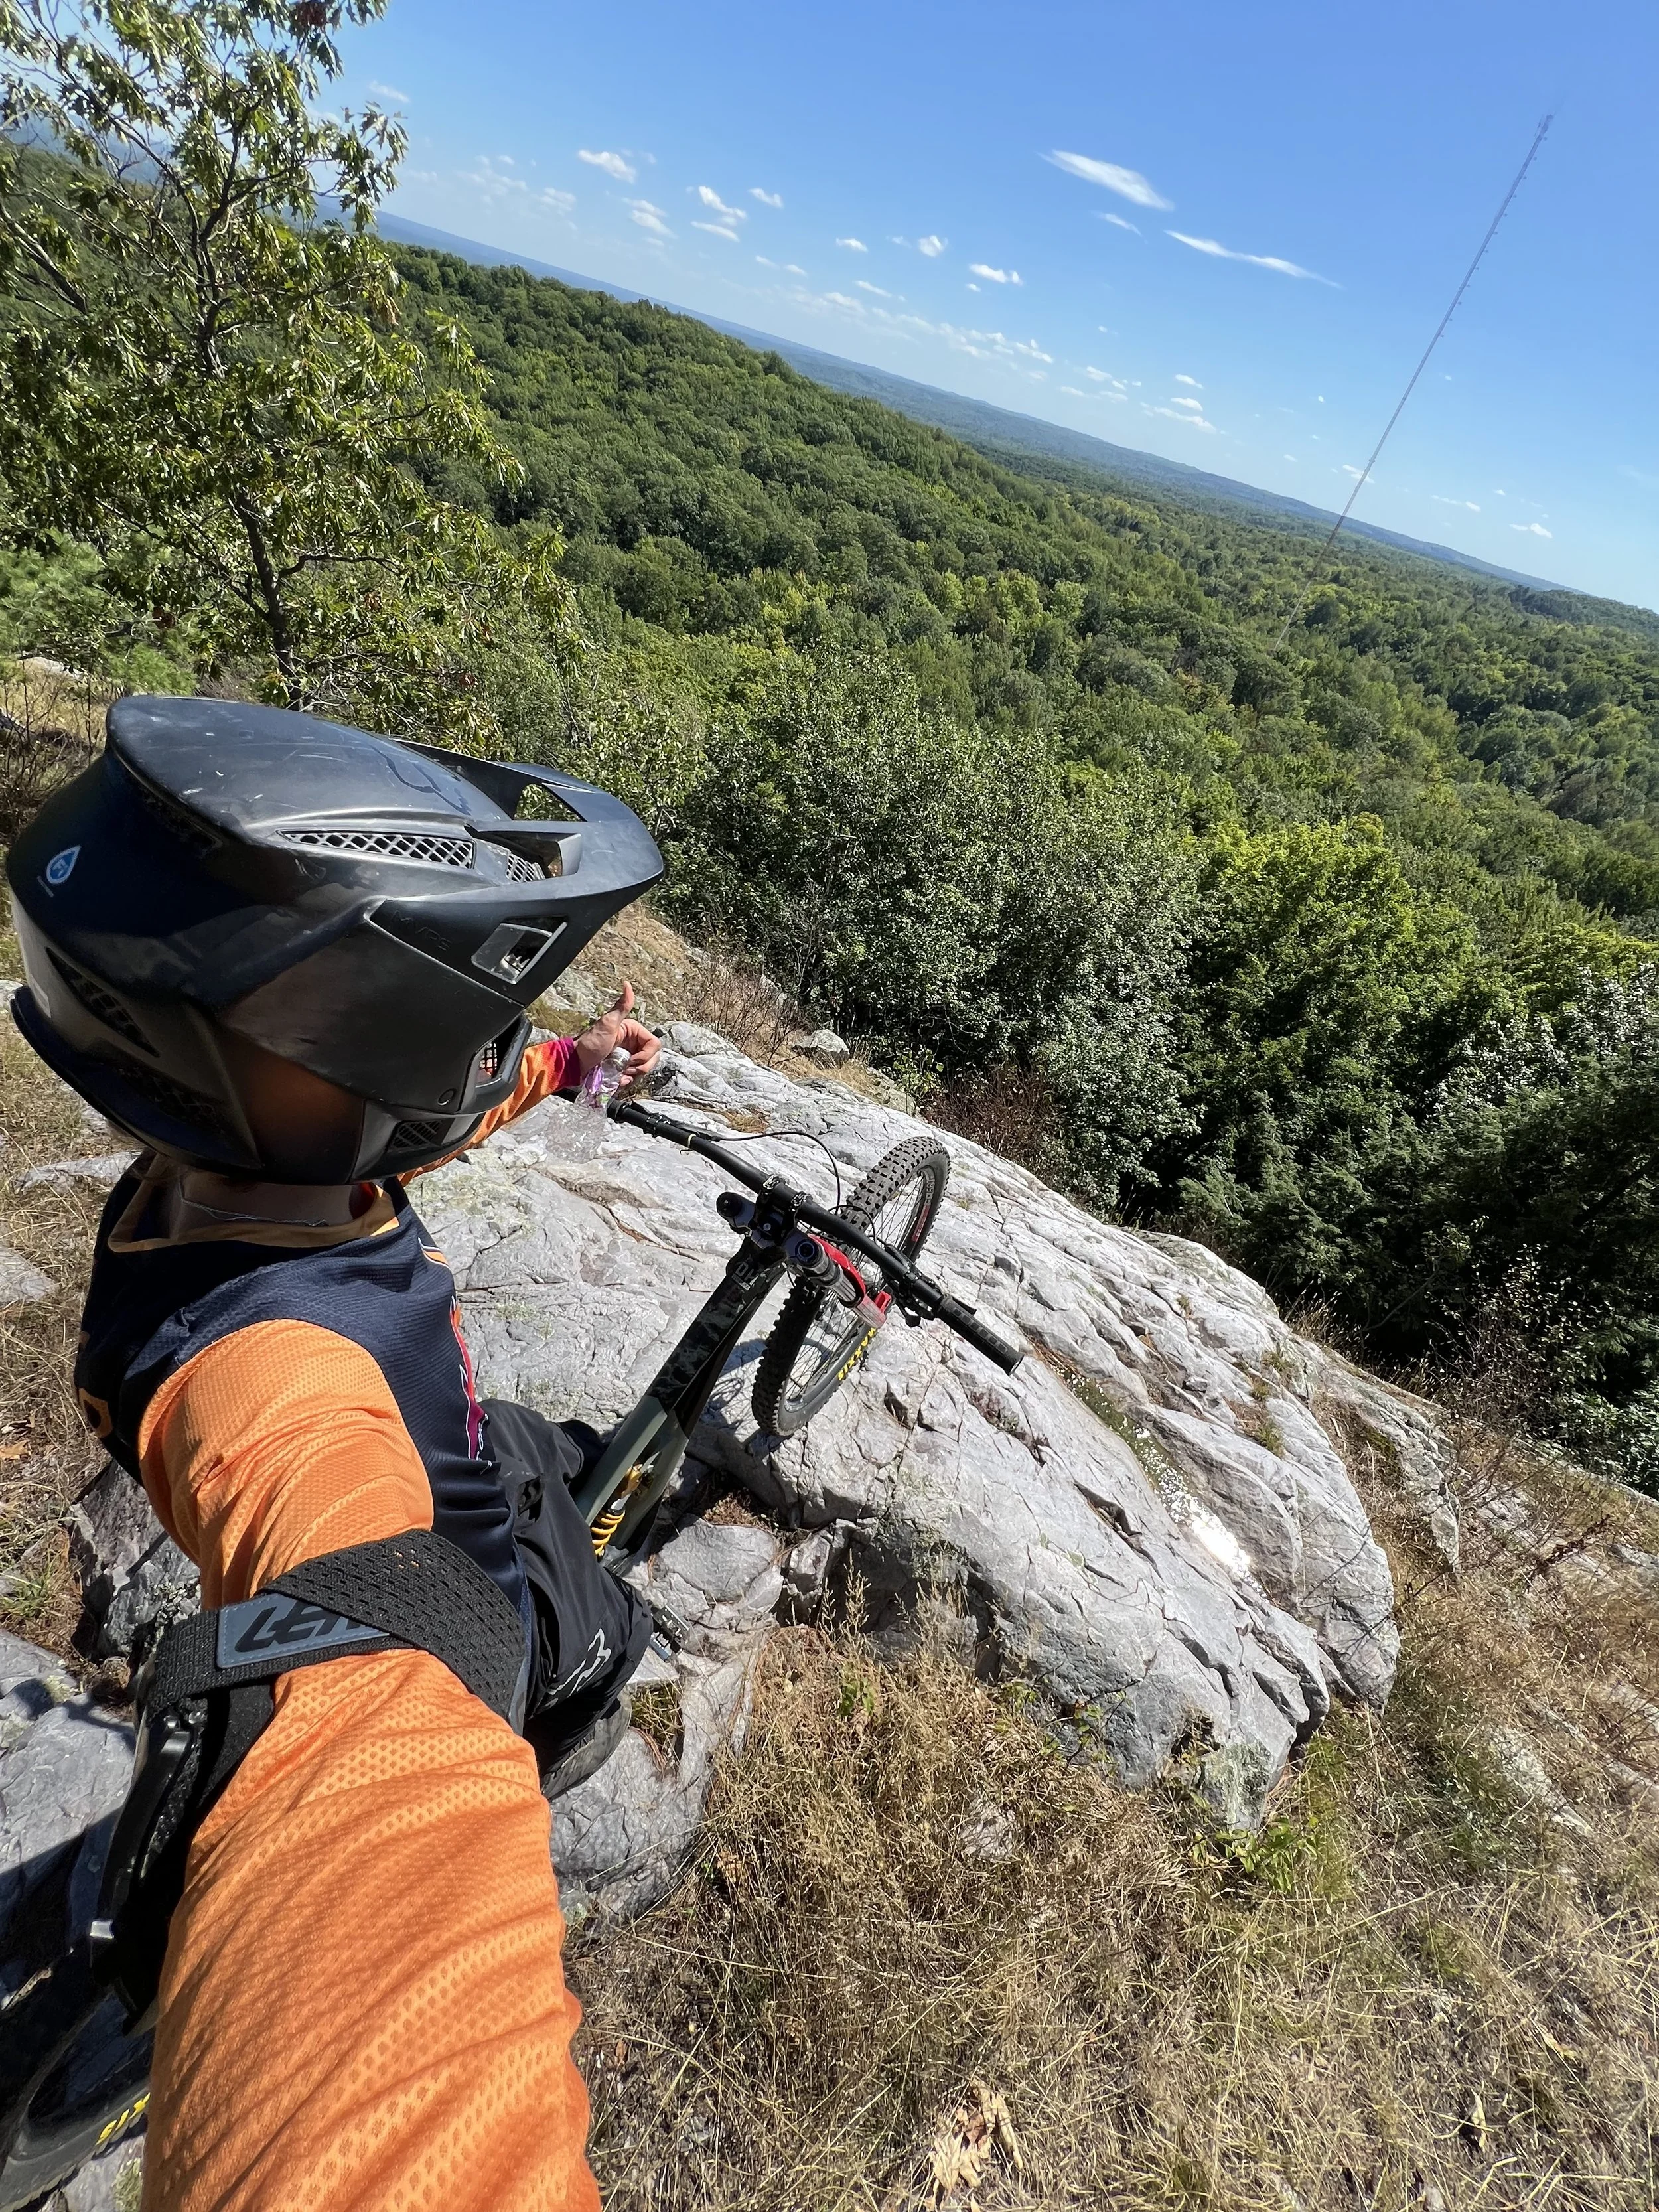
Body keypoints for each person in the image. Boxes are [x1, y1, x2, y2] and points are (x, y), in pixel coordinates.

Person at [5, 697, 669, 2209]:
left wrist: (564, 1065)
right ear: (337, 1056)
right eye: (464, 1035)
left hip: (418, 1425)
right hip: (451, 1581)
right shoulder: (274, 1374)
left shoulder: (244, 1153)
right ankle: (569, 1715)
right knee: (596, 1620)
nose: (477, 1064)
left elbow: (409, 1112)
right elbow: (375, 1681)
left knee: (527, 1442)